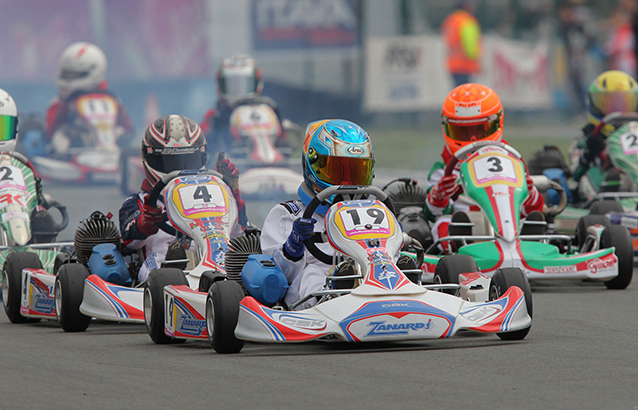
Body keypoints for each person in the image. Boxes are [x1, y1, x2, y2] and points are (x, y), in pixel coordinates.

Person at [260, 119, 374, 310]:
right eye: (337, 171)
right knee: (314, 273)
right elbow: (275, 277)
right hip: (310, 292)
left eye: (356, 171)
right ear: (313, 167)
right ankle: (332, 298)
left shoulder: (372, 211)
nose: (347, 183)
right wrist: (293, 246)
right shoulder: (287, 214)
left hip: (370, 275)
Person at [119, 114, 247, 283]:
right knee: (162, 275)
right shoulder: (139, 202)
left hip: (219, 258)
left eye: (187, 161)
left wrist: (233, 195)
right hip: (164, 263)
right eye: (170, 163)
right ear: (149, 159)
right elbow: (130, 241)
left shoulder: (214, 194)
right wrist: (146, 222)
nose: (179, 171)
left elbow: (238, 233)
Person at [423, 83, 544, 247]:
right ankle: (457, 251)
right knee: (443, 222)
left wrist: (529, 192)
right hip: (467, 233)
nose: (473, 139)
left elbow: (534, 207)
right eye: (463, 132)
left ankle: (533, 248)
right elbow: (431, 213)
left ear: (497, 123)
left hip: (508, 226)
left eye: (480, 130)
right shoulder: (443, 170)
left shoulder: (512, 162)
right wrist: (439, 195)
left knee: (534, 218)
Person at [45, 42, 133, 156]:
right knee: (59, 137)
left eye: (75, 75)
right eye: (67, 74)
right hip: (73, 150)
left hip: (112, 149)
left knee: (120, 132)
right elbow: (50, 129)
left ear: (93, 72)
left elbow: (128, 129)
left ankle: (111, 152)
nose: (68, 79)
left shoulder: (113, 101)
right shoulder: (60, 102)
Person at [0, 88, 62, 243]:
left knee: (42, 217)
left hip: (15, 232)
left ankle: (36, 250)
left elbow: (34, 197)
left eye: (1, 127)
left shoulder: (21, 166)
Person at [200, 53, 286, 151]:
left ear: (256, 82)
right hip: (231, 161)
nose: (238, 92)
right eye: (233, 85)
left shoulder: (268, 109)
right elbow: (203, 143)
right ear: (221, 85)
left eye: (243, 84)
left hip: (272, 160)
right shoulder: (215, 116)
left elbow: (284, 141)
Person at [571, 70, 638, 184]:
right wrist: (589, 153)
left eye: (623, 104)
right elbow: (575, 174)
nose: (618, 111)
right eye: (610, 104)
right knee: (591, 176)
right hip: (604, 185)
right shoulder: (586, 138)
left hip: (633, 178)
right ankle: (609, 187)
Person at [441, 1, 482, 87]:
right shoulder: (467, 21)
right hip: (466, 65)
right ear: (466, 6)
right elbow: (470, 44)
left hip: (452, 63)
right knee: (467, 94)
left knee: (457, 92)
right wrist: (477, 61)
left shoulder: (450, 20)